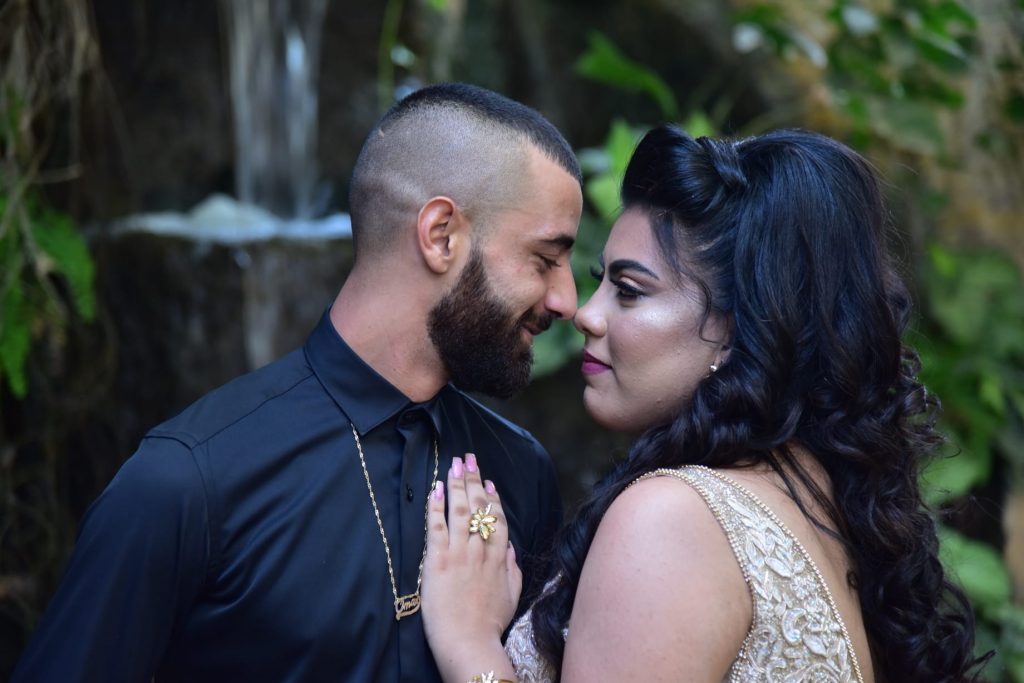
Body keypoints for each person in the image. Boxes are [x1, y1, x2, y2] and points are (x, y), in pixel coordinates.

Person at [13, 83, 584, 682]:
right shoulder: (186, 482)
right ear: (441, 235)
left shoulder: (519, 473)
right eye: (545, 260)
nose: (567, 300)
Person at [419, 125, 985, 682]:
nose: (586, 314)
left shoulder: (673, 520)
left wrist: (472, 647)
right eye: (601, 282)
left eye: (629, 291)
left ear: (737, 332)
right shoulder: (815, 499)